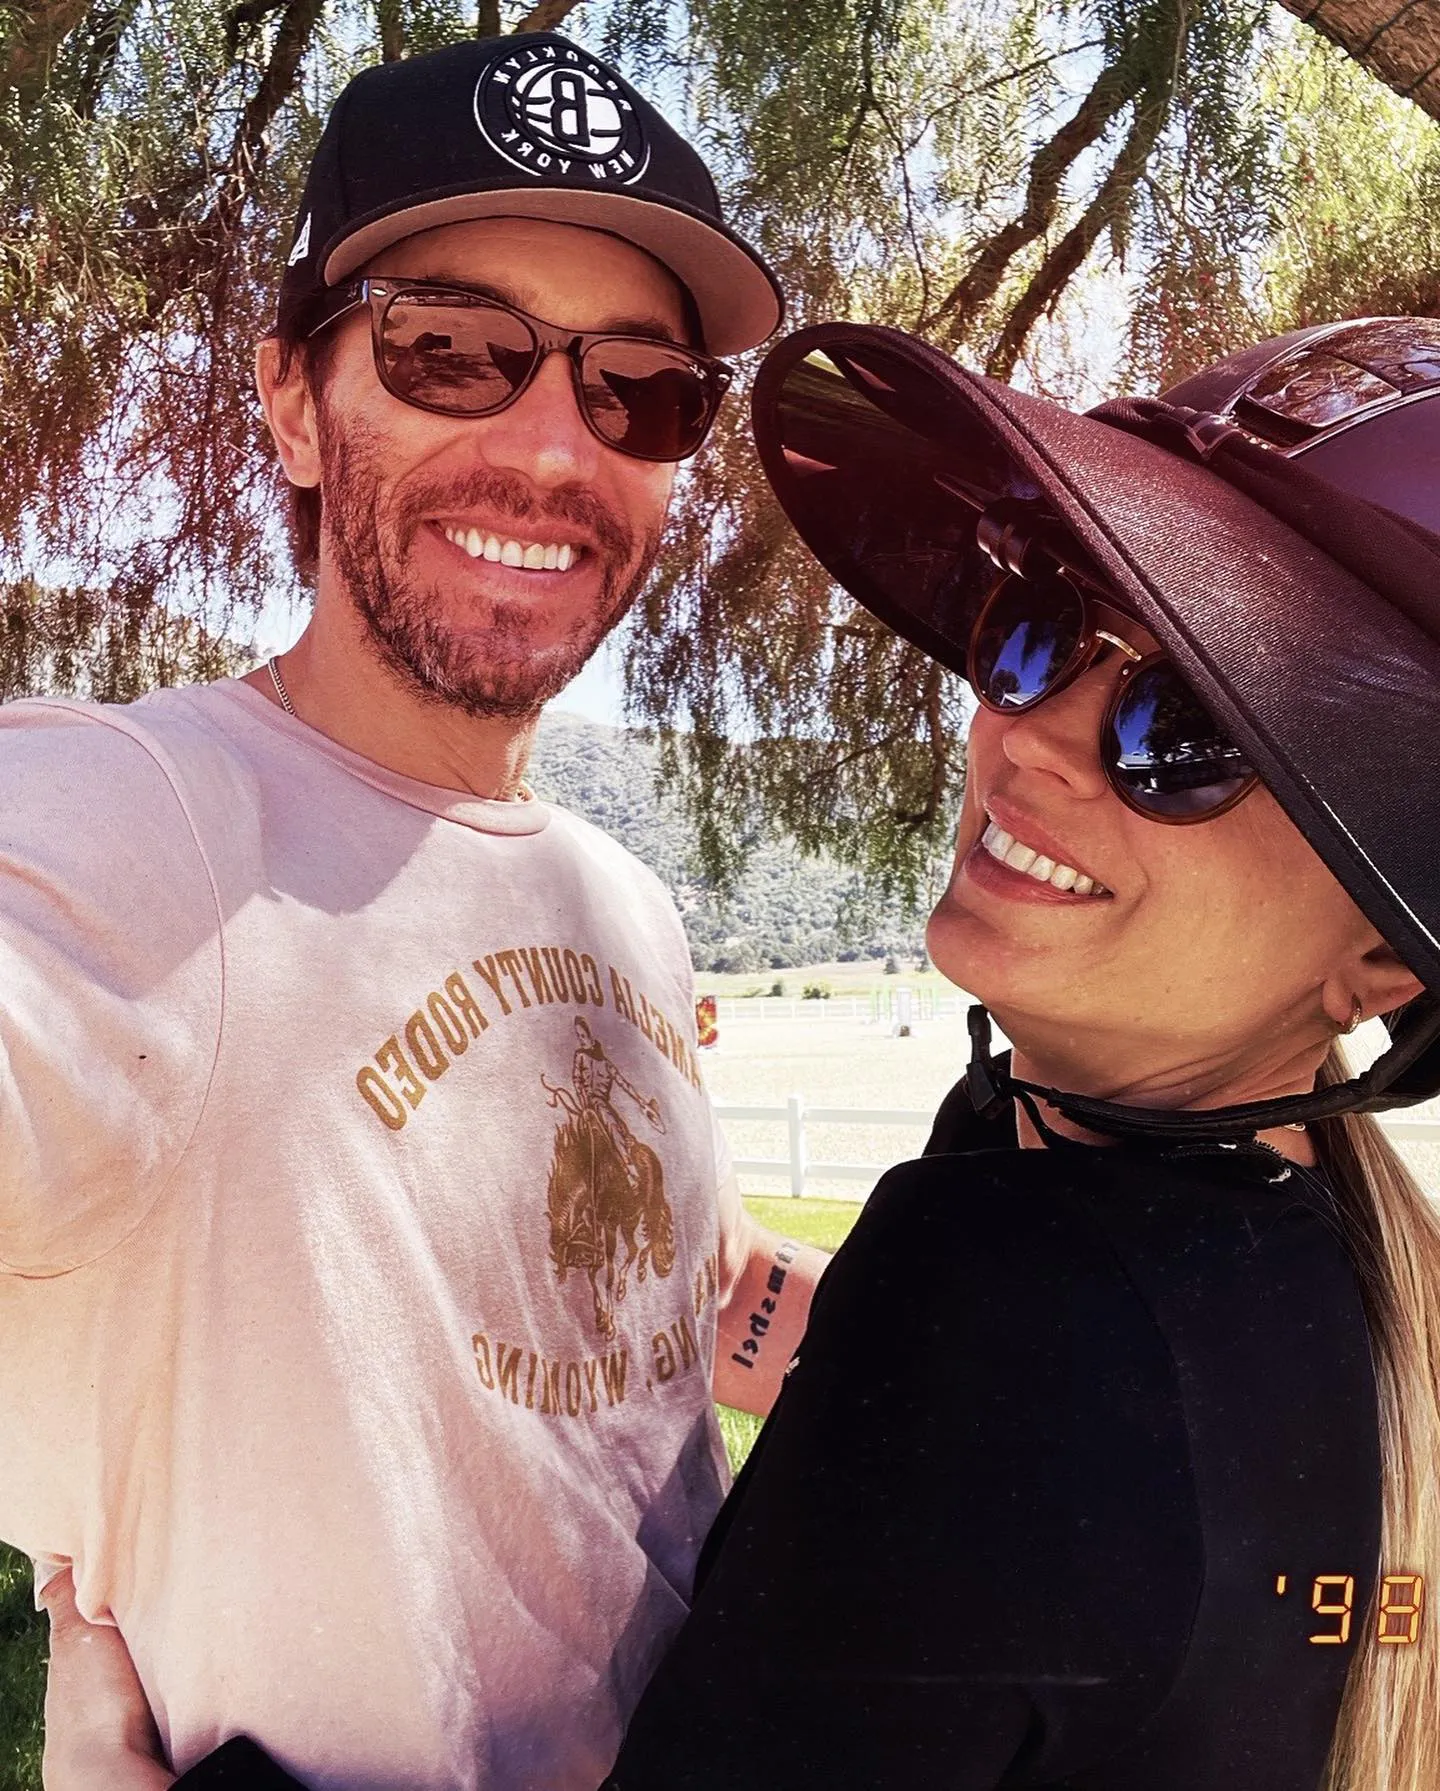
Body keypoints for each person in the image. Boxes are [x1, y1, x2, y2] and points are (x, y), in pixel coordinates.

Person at [4, 30, 827, 1790]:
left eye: (642, 388)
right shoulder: (129, 828)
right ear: (294, 403)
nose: (554, 448)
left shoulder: (623, 903)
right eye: (451, 348)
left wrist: (1000, 1332)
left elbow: (663, 1290)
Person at [601, 316, 1440, 1789]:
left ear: (1382, 953)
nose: (1035, 737)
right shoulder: (1329, 1294)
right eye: (1041, 627)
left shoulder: (1004, 1302)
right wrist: (756, 1312)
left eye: (1185, 724)